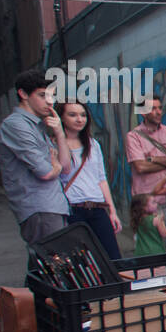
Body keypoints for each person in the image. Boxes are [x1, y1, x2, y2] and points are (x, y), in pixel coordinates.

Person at [0, 69, 72, 245]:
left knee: (45, 266)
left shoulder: (37, 126)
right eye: (42, 95)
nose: (49, 102)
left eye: (52, 96)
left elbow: (65, 167)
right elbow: (45, 172)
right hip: (40, 207)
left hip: (51, 206)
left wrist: (59, 132)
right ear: (23, 94)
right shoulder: (16, 125)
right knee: (51, 263)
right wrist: (55, 166)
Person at [57, 100, 122, 262]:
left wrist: (112, 211)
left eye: (83, 115)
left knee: (112, 257)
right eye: (72, 115)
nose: (79, 119)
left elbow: (102, 179)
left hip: (97, 207)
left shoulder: (93, 144)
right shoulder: (54, 144)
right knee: (81, 261)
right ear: (62, 118)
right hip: (72, 209)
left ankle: (113, 287)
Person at [126, 97, 166, 247]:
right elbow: (141, 167)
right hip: (147, 203)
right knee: (150, 247)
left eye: (159, 108)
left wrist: (152, 159)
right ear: (143, 113)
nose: (158, 112)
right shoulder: (133, 137)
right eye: (153, 109)